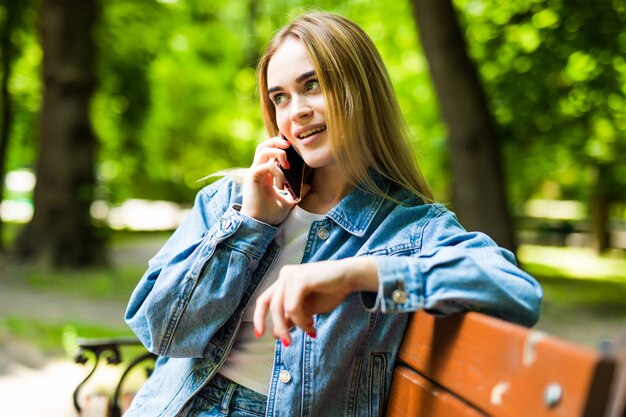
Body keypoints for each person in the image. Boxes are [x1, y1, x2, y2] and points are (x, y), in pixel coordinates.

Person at [123, 11, 542, 417]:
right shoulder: (231, 200)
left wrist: (357, 275)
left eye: (313, 85)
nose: (296, 111)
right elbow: (160, 331)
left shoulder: (410, 229)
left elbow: (517, 294)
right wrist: (250, 227)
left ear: (363, 90)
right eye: (280, 97)